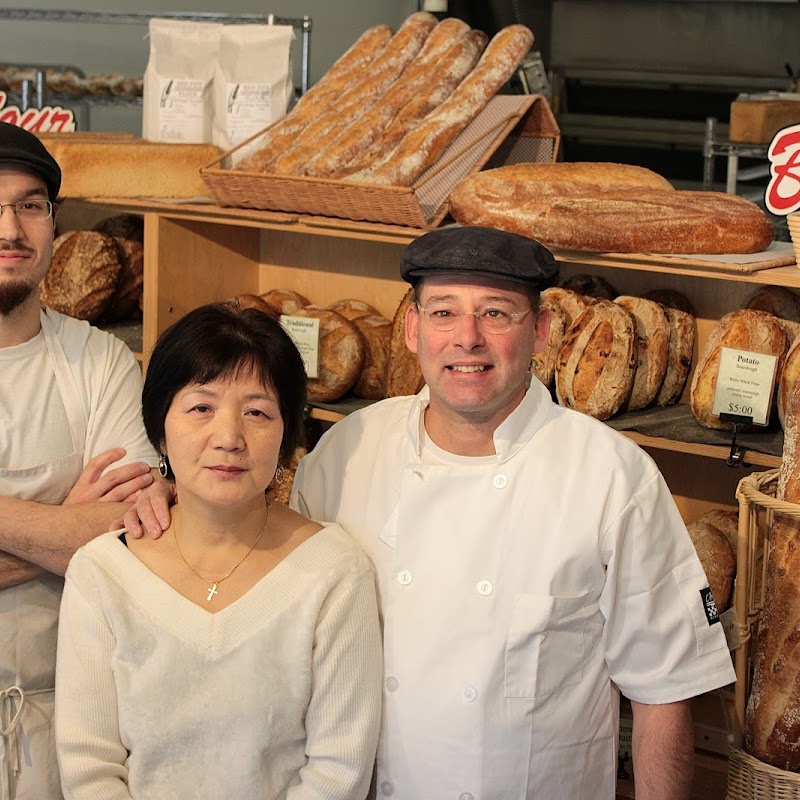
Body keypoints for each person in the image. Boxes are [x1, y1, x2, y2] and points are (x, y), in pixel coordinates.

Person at [289, 226, 737, 800]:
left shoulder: (611, 475)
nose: (466, 339)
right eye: (444, 312)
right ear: (412, 329)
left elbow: (664, 691)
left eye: (496, 314)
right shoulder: (347, 452)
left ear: (542, 332)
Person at [55, 302, 383, 799]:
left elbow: (338, 770)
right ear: (160, 429)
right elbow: (89, 766)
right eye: (201, 408)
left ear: (289, 433)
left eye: (257, 412)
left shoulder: (334, 572)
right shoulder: (102, 573)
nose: (229, 437)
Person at [0, 121, 158, 800]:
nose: (10, 228)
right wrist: (62, 527)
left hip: (66, 714)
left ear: (53, 223)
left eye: (30, 206)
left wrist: (92, 528)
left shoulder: (99, 360)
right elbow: (85, 537)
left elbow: (127, 535)